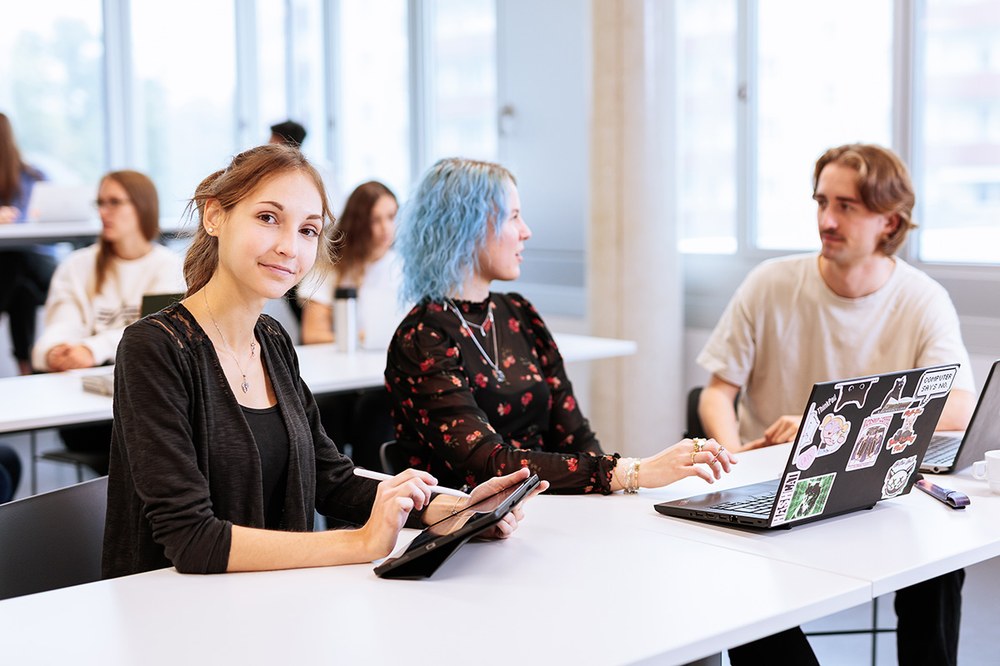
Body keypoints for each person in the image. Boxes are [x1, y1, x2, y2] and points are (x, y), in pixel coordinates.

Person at [102, 144, 545, 579]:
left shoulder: (272, 342)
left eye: (308, 230)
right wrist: (360, 542)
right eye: (268, 218)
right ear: (215, 215)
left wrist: (456, 510)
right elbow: (193, 540)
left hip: (276, 602)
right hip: (174, 623)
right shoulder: (154, 348)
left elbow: (331, 480)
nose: (289, 247)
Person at [696, 143, 975, 666]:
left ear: (889, 221)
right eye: (821, 202)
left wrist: (834, 429)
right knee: (743, 588)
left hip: (874, 493)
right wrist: (732, 459)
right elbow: (717, 391)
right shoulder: (770, 284)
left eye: (846, 206)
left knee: (938, 568)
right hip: (775, 487)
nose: (826, 219)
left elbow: (959, 403)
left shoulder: (922, 298)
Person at [384, 157, 737, 494]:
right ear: (467, 227)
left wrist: (620, 490)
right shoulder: (422, 338)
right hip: (468, 527)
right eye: (514, 217)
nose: (526, 232)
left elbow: (576, 437)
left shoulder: (519, 313)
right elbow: (487, 465)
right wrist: (633, 472)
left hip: (543, 510)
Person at [31, 170, 185, 475]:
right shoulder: (77, 266)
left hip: (146, 404)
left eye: (114, 202)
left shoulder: (169, 267)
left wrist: (92, 349)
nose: (104, 212)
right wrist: (57, 351)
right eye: (100, 203)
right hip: (86, 413)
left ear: (142, 206)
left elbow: (155, 337)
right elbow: (61, 325)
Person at [299, 180, 405, 471]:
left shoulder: (404, 269)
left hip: (380, 378)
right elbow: (313, 333)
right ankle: (344, 505)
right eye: (375, 219)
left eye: (392, 217)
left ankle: (372, 501)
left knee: (376, 410)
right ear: (359, 222)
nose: (386, 228)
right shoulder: (332, 266)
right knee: (334, 414)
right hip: (340, 382)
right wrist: (359, 337)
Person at [0, 112, 57, 375]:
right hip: (13, 278)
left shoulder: (33, 176)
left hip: (39, 263)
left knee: (16, 258)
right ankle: (27, 368)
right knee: (23, 292)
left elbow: (47, 214)